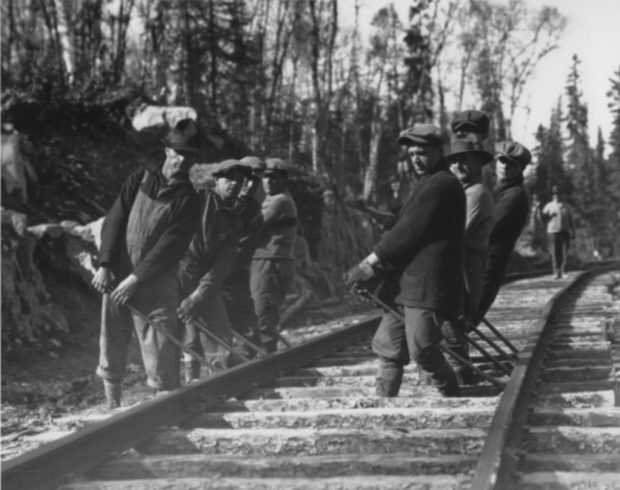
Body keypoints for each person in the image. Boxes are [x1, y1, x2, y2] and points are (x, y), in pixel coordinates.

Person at [344, 124, 466, 397]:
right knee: (389, 346)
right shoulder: (428, 183)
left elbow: (407, 231)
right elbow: (403, 227)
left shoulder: (442, 183)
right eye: (411, 154)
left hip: (427, 282)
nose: (416, 160)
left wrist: (369, 263)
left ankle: (452, 395)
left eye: (422, 153)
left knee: (423, 348)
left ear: (438, 150)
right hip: (407, 282)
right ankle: (383, 401)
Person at [92, 118, 200, 409]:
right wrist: (105, 264)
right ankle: (112, 404)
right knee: (112, 336)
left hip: (156, 279)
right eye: (177, 152)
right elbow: (114, 220)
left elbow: (170, 247)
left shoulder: (188, 198)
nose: (181, 160)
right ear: (166, 150)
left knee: (161, 342)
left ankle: (161, 405)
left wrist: (136, 279)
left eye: (188, 155)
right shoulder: (139, 178)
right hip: (118, 273)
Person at [177, 159, 250, 382]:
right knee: (169, 335)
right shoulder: (197, 200)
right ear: (216, 180)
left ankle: (217, 386)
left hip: (203, 279)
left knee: (219, 336)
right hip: (175, 271)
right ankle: (168, 393)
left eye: (239, 180)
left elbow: (221, 266)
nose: (235, 184)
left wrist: (199, 295)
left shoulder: (234, 221)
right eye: (229, 179)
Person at [445, 133, 494, 384]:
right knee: (451, 317)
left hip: (467, 266)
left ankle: (462, 372)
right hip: (460, 264)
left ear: (478, 162)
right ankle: (460, 371)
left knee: (453, 317)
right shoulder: (462, 192)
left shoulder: (476, 194)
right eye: (453, 160)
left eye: (464, 159)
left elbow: (457, 233)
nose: (457, 165)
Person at [472, 141, 532, 325]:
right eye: (502, 161)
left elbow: (489, 228)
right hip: (480, 260)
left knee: (467, 317)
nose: (505, 167)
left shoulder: (514, 196)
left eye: (512, 164)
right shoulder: (499, 188)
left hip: (488, 263)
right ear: (496, 163)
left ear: (521, 168)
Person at [250, 158, 298, 353]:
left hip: (271, 262)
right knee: (262, 313)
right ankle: (264, 358)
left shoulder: (279, 201)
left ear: (283, 179)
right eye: (265, 178)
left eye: (273, 178)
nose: (268, 182)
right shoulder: (274, 199)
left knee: (263, 314)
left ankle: (266, 361)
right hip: (268, 261)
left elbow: (252, 226)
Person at [221, 156, 266, 356]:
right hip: (202, 274)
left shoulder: (254, 211)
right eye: (243, 179)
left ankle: (242, 370)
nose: (248, 185)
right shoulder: (215, 200)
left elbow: (244, 248)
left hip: (233, 275)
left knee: (246, 329)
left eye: (254, 180)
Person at [541, 185, 575, 279]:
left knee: (564, 253)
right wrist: (548, 216)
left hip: (565, 231)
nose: (557, 196)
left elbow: (571, 220)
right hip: (552, 232)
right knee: (555, 253)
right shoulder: (549, 206)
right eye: (555, 194)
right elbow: (542, 219)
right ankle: (556, 272)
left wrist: (573, 232)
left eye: (558, 194)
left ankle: (563, 271)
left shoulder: (567, 206)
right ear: (552, 195)